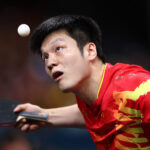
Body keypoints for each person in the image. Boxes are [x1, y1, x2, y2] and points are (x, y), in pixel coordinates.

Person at [14, 15, 150, 150]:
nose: (49, 63)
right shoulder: (92, 98)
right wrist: (43, 115)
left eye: (58, 49)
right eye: (45, 57)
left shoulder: (136, 89)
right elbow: (94, 111)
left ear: (90, 51)